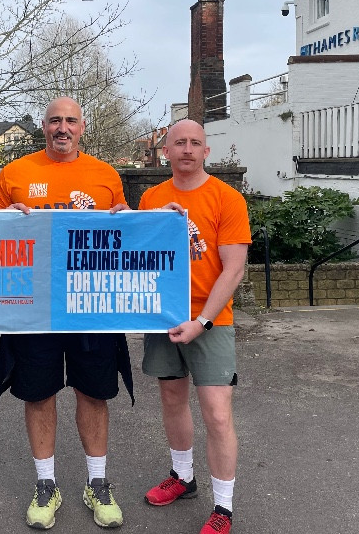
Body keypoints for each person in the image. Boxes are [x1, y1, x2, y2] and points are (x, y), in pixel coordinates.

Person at [0, 96, 133, 530]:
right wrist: (4, 217)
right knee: (38, 393)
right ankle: (46, 484)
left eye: (70, 121)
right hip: (34, 305)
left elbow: (123, 234)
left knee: (94, 393)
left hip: (91, 304)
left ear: (82, 127)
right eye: (54, 121)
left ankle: (97, 483)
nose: (62, 128)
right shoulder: (15, 172)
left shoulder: (106, 175)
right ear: (43, 127)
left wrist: (131, 219)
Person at [138, 119, 251, 534]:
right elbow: (138, 254)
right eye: (179, 142)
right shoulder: (151, 197)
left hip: (210, 320)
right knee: (172, 399)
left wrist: (202, 322)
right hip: (164, 316)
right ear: (165, 151)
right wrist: (128, 219)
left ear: (206, 151)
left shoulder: (227, 198)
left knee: (217, 415)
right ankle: (183, 477)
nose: (187, 149)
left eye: (195, 143)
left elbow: (233, 269)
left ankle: (223, 508)